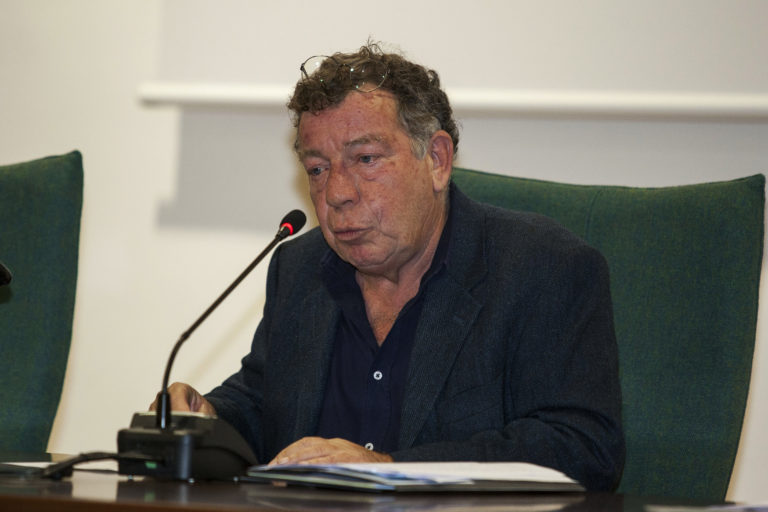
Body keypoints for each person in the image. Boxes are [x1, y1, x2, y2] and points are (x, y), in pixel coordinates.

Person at [152, 42, 625, 491]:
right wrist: (207, 418)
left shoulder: (542, 269)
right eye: (317, 169)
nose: (337, 193)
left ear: (436, 160)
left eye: (365, 159)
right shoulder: (300, 268)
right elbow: (264, 401)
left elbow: (581, 447)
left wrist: (392, 469)